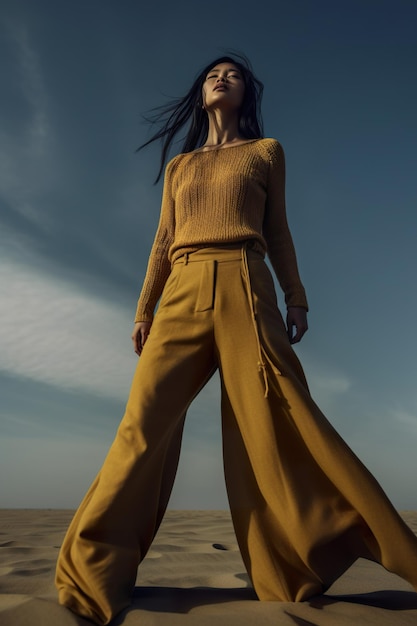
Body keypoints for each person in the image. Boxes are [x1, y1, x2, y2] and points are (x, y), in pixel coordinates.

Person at [55, 54, 417, 625]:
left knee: (276, 417)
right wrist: (143, 309)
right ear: (202, 94)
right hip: (181, 288)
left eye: (233, 75)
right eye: (211, 75)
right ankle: (93, 572)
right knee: (141, 423)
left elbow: (278, 231)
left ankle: (311, 560)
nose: (220, 78)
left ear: (247, 93)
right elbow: (162, 240)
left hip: (247, 283)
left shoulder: (265, 152)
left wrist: (296, 295)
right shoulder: (179, 166)